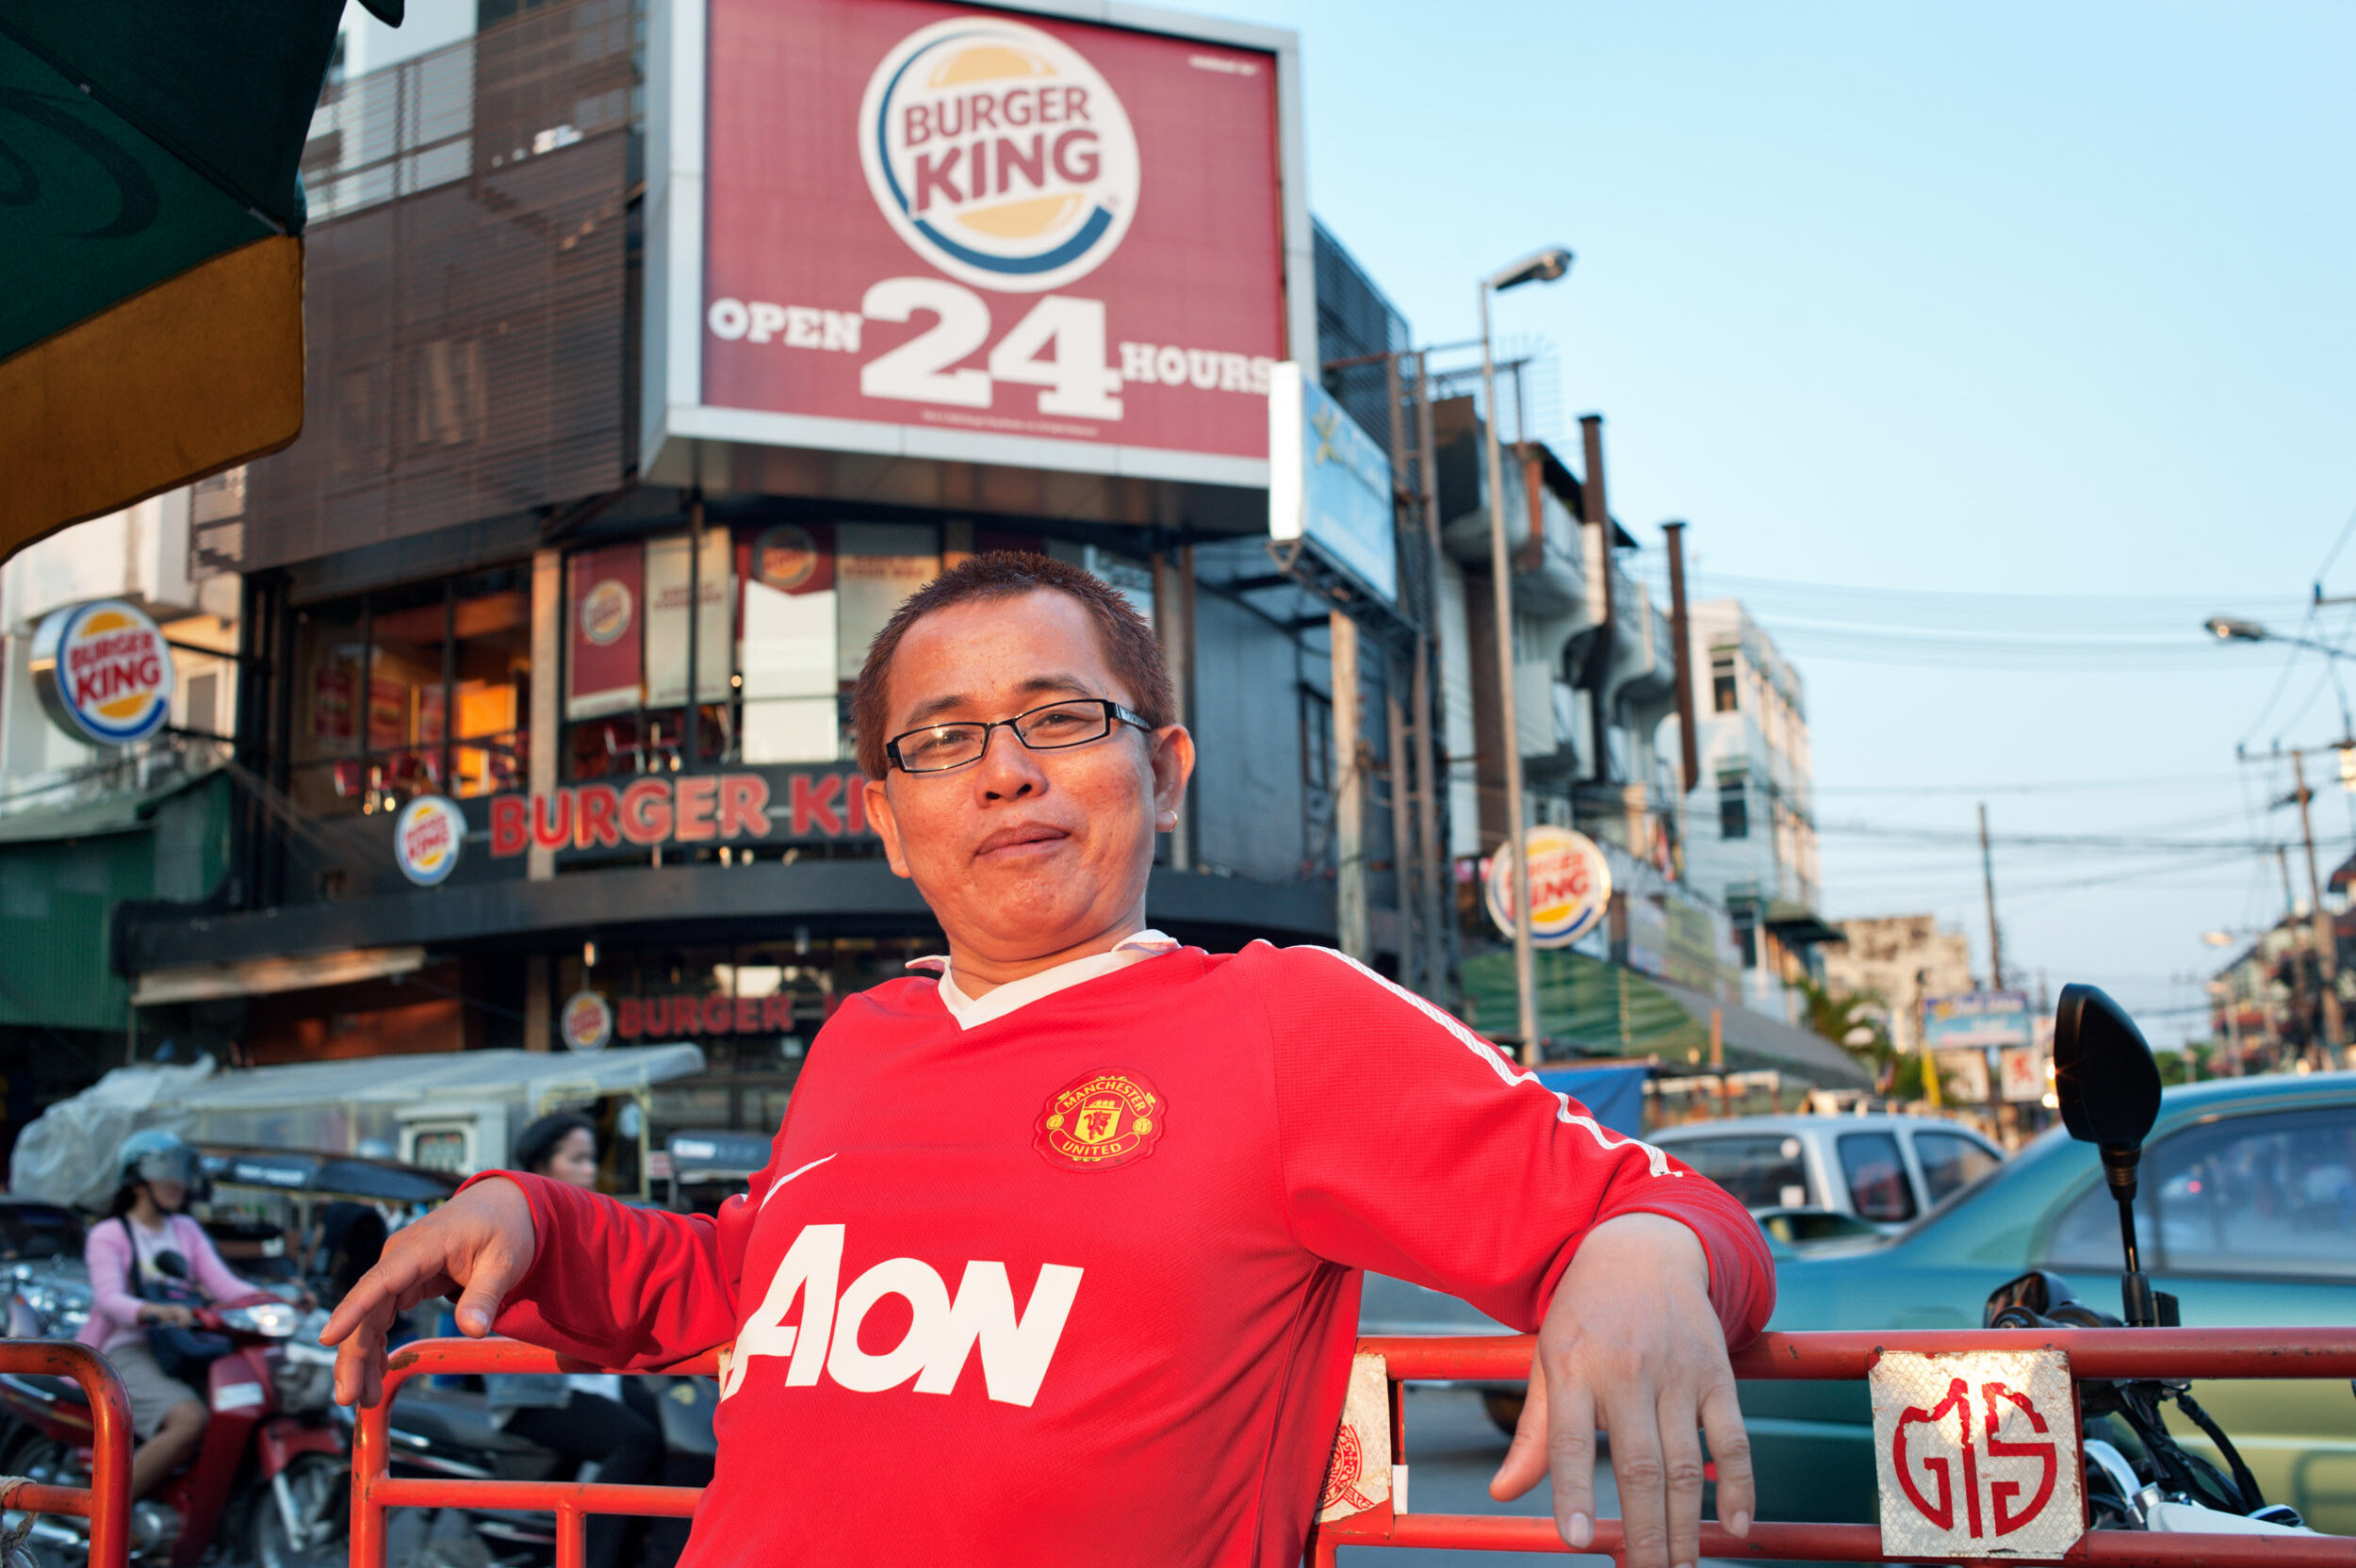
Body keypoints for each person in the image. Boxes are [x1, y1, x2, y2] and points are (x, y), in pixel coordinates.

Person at [327, 554, 1775, 1568]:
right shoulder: (865, 1038)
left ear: (1165, 771)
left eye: (1061, 718)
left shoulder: (1285, 1021)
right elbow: (742, 1288)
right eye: (942, 742)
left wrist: (1646, 1254)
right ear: (887, 822)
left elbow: (1666, 1212)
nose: (1005, 770)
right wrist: (536, 1217)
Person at [483, 1113, 666, 1568]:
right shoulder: (520, 1220)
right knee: (636, 1441)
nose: (589, 1170)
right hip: (538, 1387)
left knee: (671, 1424)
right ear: (544, 1164)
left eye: (591, 1159)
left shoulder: (585, 1213)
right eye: (577, 1159)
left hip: (592, 1373)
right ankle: (593, 1559)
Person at [79, 1131, 274, 1499]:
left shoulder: (185, 1229)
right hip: (124, 1349)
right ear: (137, 1180)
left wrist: (281, 1299)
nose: (177, 1182)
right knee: (189, 1420)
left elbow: (226, 1286)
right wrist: (154, 1310)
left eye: (182, 1172)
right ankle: (101, 1515)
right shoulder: (109, 1233)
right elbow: (109, 1300)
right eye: (166, 1171)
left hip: (181, 1346)